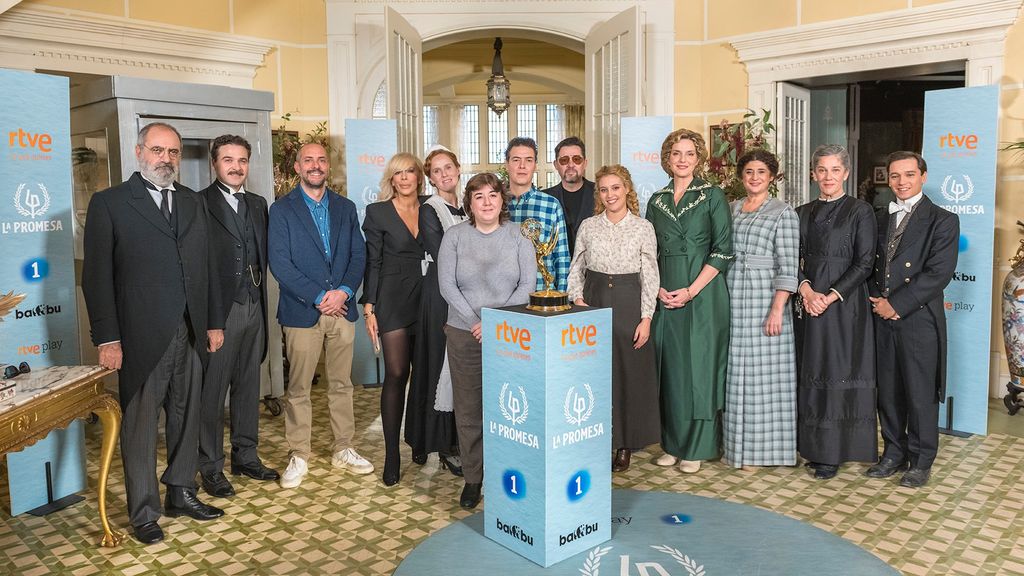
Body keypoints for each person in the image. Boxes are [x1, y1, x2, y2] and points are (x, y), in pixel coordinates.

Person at [83, 122, 224, 545]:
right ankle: (144, 511)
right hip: (140, 335)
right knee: (141, 427)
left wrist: (214, 321)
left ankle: (181, 491)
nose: (166, 159)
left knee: (187, 416)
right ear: (140, 151)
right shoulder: (110, 203)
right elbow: (96, 277)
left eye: (174, 152)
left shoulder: (193, 202)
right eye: (158, 150)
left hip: (191, 331)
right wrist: (107, 338)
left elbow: (208, 267)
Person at [268, 142, 372, 489]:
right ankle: (299, 453)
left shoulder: (345, 207)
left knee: (342, 384)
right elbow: (280, 263)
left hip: (341, 310)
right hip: (301, 312)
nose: (315, 165)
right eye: (308, 160)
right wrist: (318, 297)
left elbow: (358, 255)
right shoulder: (281, 210)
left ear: (329, 167)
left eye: (321, 160)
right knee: (298, 388)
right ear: (297, 167)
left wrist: (343, 291)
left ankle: (344, 447)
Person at [438, 173, 535, 509]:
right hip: (464, 334)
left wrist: (493, 322)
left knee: (511, 408)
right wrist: (476, 322)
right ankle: (473, 478)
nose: (487, 202)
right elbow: (447, 286)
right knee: (469, 410)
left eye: (493, 195)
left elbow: (527, 285)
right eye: (478, 196)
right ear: (469, 203)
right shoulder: (454, 237)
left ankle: (510, 475)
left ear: (502, 200)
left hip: (510, 335)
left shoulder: (519, 235)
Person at [866, 151, 958, 488]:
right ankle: (893, 451)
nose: (901, 182)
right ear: (888, 179)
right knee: (888, 389)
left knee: (919, 391)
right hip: (882, 314)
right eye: (894, 176)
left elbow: (939, 273)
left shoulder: (943, 220)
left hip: (918, 317)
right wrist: (878, 299)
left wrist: (897, 304)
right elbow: (869, 264)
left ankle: (921, 460)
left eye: (908, 175)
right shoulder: (878, 217)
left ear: (923, 176)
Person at [645, 128, 733, 474]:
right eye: (676, 153)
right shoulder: (657, 200)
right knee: (670, 369)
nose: (682, 159)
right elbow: (647, 252)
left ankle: (697, 447)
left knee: (700, 369)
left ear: (699, 159)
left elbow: (723, 250)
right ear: (667, 159)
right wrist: (656, 289)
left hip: (703, 294)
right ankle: (672, 443)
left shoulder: (712, 196)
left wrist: (691, 290)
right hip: (666, 294)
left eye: (689, 153)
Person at [198, 135, 279, 499]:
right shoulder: (198, 204)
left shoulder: (259, 204)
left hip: (254, 306)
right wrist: (209, 319)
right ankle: (211, 467)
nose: (236, 166)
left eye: (242, 160)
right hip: (220, 311)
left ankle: (246, 456)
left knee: (249, 387)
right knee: (213, 394)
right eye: (228, 159)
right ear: (214, 164)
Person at [567, 164, 660, 473]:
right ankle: (593, 440)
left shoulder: (643, 228)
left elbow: (650, 275)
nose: (610, 195)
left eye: (616, 188)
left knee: (626, 377)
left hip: (628, 301)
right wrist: (577, 300)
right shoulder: (588, 226)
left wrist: (646, 317)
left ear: (627, 190)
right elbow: (576, 267)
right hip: (592, 299)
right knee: (592, 375)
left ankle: (624, 444)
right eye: (604, 189)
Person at [794, 144, 878, 480]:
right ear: (814, 174)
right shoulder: (800, 212)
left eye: (835, 170)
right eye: (822, 170)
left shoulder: (861, 211)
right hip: (808, 302)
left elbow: (865, 262)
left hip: (845, 306)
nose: (828, 177)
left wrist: (829, 296)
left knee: (839, 369)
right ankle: (814, 449)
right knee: (811, 370)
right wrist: (805, 289)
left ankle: (836, 452)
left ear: (845, 173)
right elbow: (790, 258)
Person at [723, 150, 799, 470]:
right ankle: (735, 449)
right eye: (749, 172)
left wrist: (777, 309)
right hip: (731, 297)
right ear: (742, 176)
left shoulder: (784, 213)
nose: (755, 177)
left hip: (764, 300)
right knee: (735, 377)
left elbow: (789, 265)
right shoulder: (731, 209)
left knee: (762, 382)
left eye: (761, 172)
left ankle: (761, 453)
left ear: (772, 177)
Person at [360, 152, 427, 486]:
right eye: (397, 172)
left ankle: (418, 440)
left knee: (424, 372)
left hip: (428, 298)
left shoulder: (431, 207)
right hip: (392, 298)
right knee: (398, 373)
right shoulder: (378, 212)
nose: (404, 178)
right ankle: (391, 453)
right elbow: (372, 262)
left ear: (419, 176)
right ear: (391, 178)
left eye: (409, 171)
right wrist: (369, 308)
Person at [405, 146, 467, 476]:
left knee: (462, 367)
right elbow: (443, 254)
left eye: (448, 167)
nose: (444, 174)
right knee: (439, 365)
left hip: (469, 295)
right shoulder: (429, 210)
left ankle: (461, 438)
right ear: (430, 178)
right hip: (440, 297)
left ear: (458, 169)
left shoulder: (469, 205)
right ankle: (441, 443)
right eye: (436, 171)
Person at [504, 137, 571, 292]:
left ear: (535, 165)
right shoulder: (494, 204)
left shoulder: (551, 205)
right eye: (516, 160)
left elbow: (561, 256)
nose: (522, 166)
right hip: (502, 298)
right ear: (507, 164)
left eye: (528, 160)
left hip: (542, 294)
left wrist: (561, 297)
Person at [543, 136, 594, 255]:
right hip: (555, 270)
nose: (571, 165)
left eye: (576, 159)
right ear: (556, 164)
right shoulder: (545, 199)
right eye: (564, 160)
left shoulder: (601, 194)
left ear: (585, 163)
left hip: (593, 270)